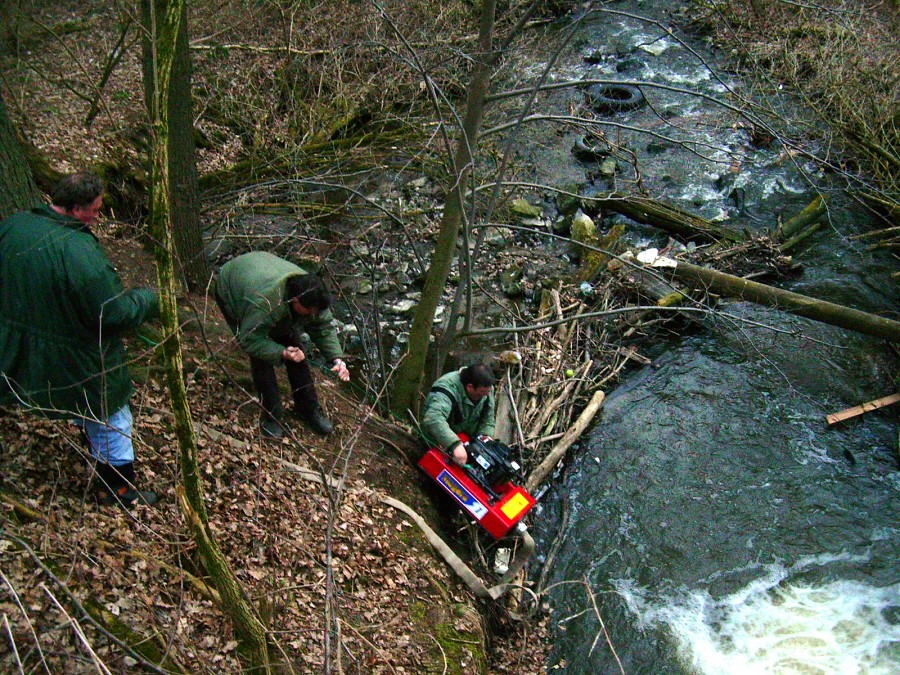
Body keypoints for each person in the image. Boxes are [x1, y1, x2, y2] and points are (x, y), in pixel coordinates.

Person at [0, 172, 160, 507]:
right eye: (96, 211)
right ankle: (117, 489)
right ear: (76, 209)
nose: (99, 216)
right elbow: (114, 314)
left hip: (18, 342)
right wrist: (147, 299)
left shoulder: (15, 225)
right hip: (69, 353)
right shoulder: (79, 252)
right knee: (111, 413)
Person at [215, 251, 350, 438]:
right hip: (232, 286)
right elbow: (250, 339)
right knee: (262, 357)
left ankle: (308, 409)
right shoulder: (264, 303)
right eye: (309, 311)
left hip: (264, 268)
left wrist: (337, 359)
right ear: (295, 301)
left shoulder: (312, 296)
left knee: (296, 349)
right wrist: (282, 352)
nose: (313, 314)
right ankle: (272, 416)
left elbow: (323, 327)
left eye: (315, 311)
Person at [420, 363, 496, 466]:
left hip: (465, 443)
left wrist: (485, 438)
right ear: (470, 387)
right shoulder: (447, 387)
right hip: (437, 442)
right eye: (483, 392)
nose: (487, 394)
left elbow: (488, 419)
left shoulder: (486, 387)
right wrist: (454, 444)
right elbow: (433, 418)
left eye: (488, 391)